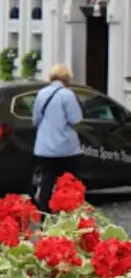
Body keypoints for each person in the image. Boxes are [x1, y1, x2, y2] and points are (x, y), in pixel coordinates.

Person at [32, 64, 83, 213]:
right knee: (68, 182)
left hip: (44, 147)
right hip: (66, 148)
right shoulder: (68, 95)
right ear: (66, 78)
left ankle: (44, 215)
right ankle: (67, 212)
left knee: (46, 181)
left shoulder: (41, 93)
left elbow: (35, 120)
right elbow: (75, 119)